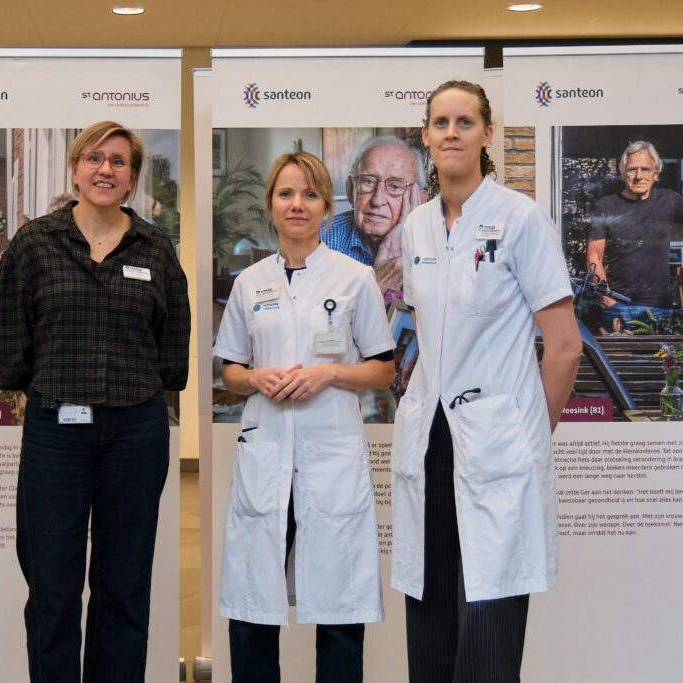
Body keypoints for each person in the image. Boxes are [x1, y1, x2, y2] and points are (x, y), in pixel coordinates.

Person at [391, 80, 581, 682]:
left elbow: (566, 346)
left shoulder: (521, 219)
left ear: (486, 135)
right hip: (431, 445)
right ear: (425, 134)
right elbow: (427, 330)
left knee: (488, 628)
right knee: (431, 617)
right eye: (441, 122)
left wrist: (527, 432)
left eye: (465, 122)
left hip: (497, 444)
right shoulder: (417, 226)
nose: (452, 132)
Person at [0, 120, 190, 682]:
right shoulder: (34, 244)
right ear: (75, 168)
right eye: (95, 158)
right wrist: (56, 388)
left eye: (119, 161)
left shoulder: (155, 247)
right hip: (57, 435)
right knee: (52, 588)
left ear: (131, 177)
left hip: (135, 434)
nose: (106, 169)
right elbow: (10, 353)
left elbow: (174, 348)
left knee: (123, 588)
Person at [215, 151, 395, 683]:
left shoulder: (355, 278)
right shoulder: (250, 283)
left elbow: (383, 369)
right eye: (287, 194)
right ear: (271, 205)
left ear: (325, 207)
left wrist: (328, 375)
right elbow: (230, 371)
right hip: (266, 452)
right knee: (253, 602)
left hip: (330, 455)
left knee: (338, 602)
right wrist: (257, 380)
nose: (298, 204)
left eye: (310, 194)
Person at [587, 140, 683, 332]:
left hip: (661, 308)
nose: (639, 176)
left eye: (645, 169)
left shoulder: (670, 201)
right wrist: (608, 300)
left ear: (656, 174)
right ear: (623, 173)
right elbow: (594, 257)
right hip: (618, 308)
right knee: (620, 363)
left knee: (658, 363)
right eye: (632, 169)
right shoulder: (606, 206)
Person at [320, 136, 427, 303]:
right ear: (350, 190)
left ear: (420, 200)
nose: (377, 200)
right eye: (368, 182)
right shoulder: (320, 240)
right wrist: (376, 286)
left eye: (395, 186)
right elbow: (308, 323)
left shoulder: (437, 249)